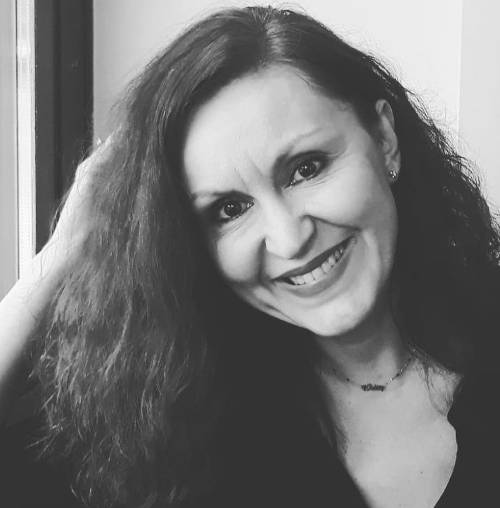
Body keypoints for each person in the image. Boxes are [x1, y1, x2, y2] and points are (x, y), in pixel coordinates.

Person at [1, 5, 499, 508]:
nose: (288, 240)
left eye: (307, 168)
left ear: (385, 141)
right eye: (230, 209)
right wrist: (54, 262)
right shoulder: (167, 427)